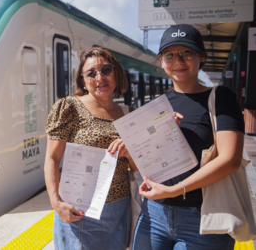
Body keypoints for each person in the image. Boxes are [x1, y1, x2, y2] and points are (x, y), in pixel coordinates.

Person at [132, 24, 245, 250]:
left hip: (204, 216)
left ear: (201, 57)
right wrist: (129, 151)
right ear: (162, 61)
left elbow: (230, 159)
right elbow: (143, 164)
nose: (178, 61)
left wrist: (176, 189)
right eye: (170, 55)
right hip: (154, 215)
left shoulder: (221, 98)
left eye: (187, 53)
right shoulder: (154, 106)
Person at [44, 46, 138, 250]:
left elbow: (139, 167)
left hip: (119, 212)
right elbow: (52, 158)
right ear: (83, 81)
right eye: (91, 73)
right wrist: (56, 202)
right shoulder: (69, 108)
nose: (100, 78)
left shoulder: (129, 113)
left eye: (106, 70)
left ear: (116, 73)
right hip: (81, 212)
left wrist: (130, 152)